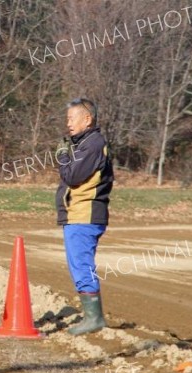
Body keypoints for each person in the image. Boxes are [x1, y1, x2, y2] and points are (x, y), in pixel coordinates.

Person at [56, 98, 114, 335]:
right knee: (78, 265)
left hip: (85, 214)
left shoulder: (92, 144)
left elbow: (72, 176)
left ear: (87, 119)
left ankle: (94, 318)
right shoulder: (86, 143)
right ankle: (92, 316)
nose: (68, 123)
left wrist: (61, 156)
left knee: (82, 266)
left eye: (72, 118)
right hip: (78, 215)